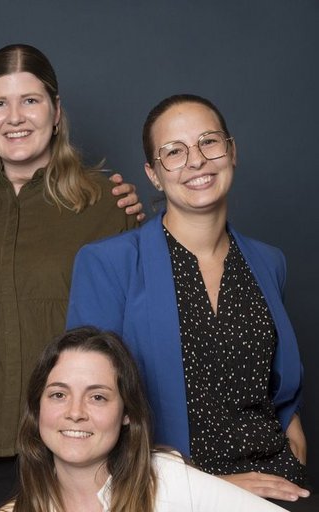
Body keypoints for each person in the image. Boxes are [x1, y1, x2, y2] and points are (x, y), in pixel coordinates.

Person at [67, 94, 314, 510]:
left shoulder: (270, 262)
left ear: (231, 151)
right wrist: (208, 489)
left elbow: (280, 392)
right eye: (173, 152)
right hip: (172, 492)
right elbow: (90, 408)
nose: (196, 160)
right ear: (153, 174)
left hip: (280, 483)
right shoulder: (108, 264)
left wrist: (295, 447)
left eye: (209, 142)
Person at [0, 44, 142, 510]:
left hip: (78, 443)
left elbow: (140, 327)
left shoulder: (107, 201)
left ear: (56, 111)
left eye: (30, 100)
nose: (15, 117)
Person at [0, 326, 286, 512]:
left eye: (97, 397)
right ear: (37, 407)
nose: (75, 412)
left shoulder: (168, 481)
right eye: (59, 395)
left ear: (127, 413)